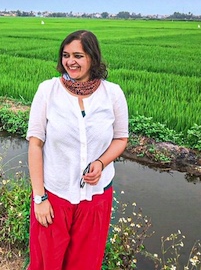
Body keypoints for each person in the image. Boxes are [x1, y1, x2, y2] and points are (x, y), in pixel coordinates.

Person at [26, 30, 129, 270]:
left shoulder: (112, 94)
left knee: (85, 263)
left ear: (92, 58)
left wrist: (102, 163)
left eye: (78, 55)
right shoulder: (48, 91)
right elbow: (35, 143)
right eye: (65, 55)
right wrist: (39, 198)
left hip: (95, 198)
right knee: (46, 262)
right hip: (54, 196)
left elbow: (121, 138)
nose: (70, 61)